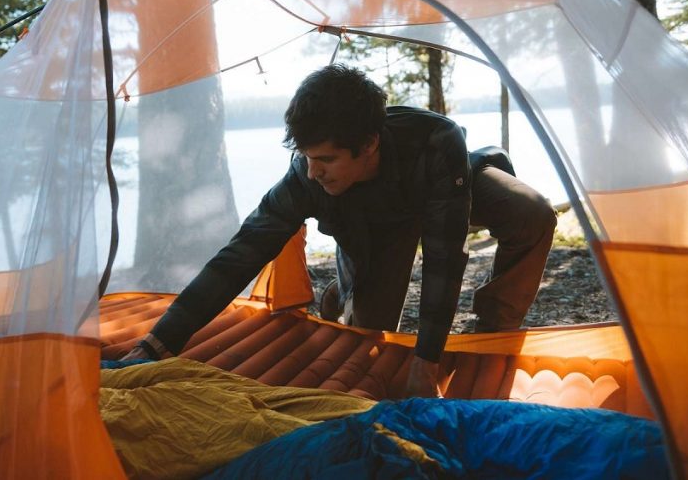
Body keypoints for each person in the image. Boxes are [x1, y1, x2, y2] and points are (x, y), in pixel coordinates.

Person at [124, 64, 556, 397]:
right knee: (370, 336)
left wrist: (427, 359)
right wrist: (159, 342)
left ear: (369, 144)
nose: (313, 171)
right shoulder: (305, 176)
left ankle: (493, 330)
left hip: (444, 190)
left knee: (531, 212)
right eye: (307, 156)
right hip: (374, 229)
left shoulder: (436, 142)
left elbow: (444, 255)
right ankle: (340, 291)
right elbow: (240, 255)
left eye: (326, 159)